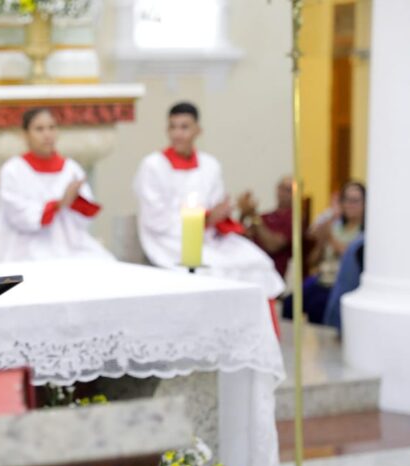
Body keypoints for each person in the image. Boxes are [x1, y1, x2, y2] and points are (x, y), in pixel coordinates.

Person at [134, 102, 284, 298]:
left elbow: (216, 208)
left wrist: (225, 213)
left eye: (184, 127)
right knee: (214, 270)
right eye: (173, 127)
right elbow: (155, 219)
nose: (177, 134)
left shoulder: (210, 165)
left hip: (210, 238)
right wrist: (205, 219)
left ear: (198, 130)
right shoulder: (153, 166)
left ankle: (255, 326)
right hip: (170, 240)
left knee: (257, 261)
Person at [0, 108, 114, 262]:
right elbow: (20, 216)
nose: (47, 134)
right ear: (25, 135)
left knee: (106, 263)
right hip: (26, 249)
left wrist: (76, 201)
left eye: (52, 127)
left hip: (71, 247)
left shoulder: (71, 169)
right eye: (39, 129)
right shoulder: (13, 170)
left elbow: (85, 218)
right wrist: (58, 205)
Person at [284, 181, 365, 323]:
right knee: (290, 303)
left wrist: (330, 238)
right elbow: (313, 261)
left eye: (355, 201)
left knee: (318, 306)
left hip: (342, 283)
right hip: (322, 278)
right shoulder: (335, 226)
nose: (349, 204)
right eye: (346, 199)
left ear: (365, 204)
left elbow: (350, 256)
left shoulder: (364, 233)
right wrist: (322, 241)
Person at [237, 176, 294, 278]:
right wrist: (243, 214)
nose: (283, 193)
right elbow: (240, 239)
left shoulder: (293, 218)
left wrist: (253, 215)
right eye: (281, 188)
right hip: (249, 271)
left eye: (289, 190)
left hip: (271, 277)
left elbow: (273, 246)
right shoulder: (265, 217)